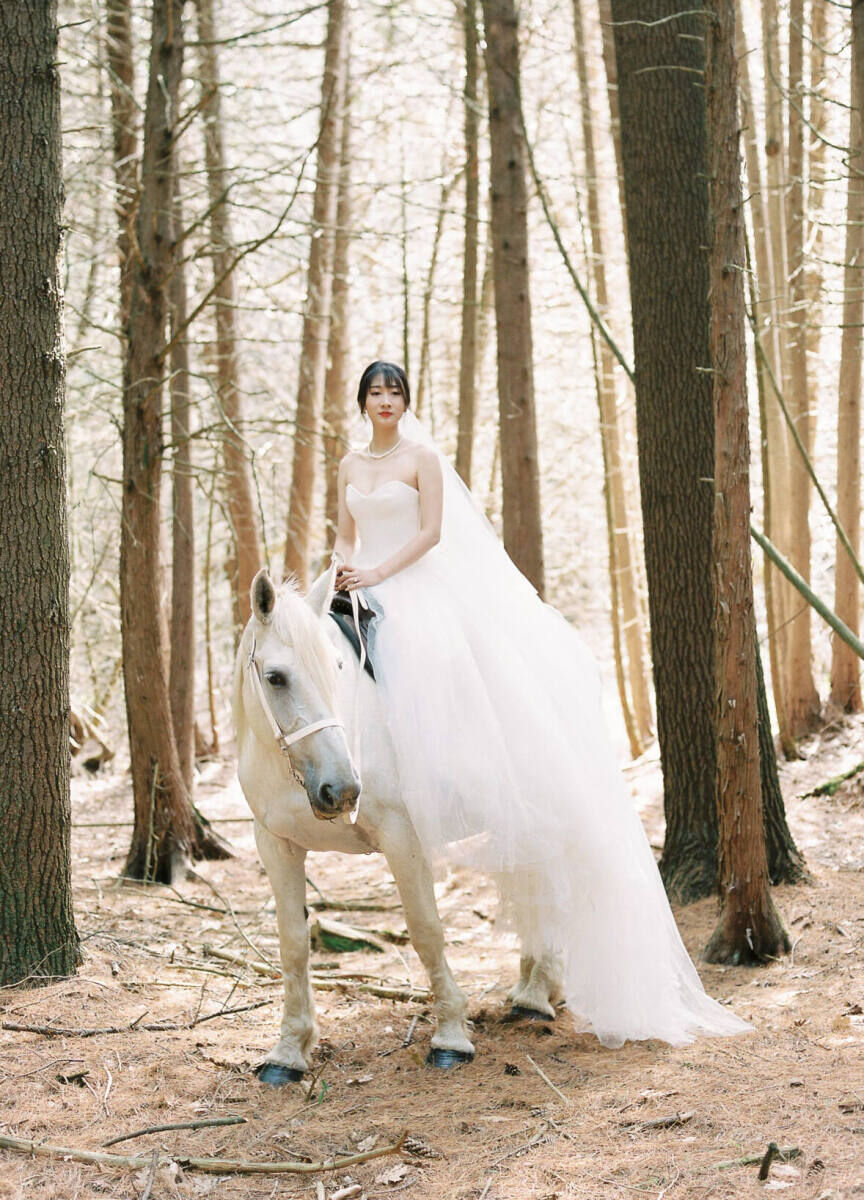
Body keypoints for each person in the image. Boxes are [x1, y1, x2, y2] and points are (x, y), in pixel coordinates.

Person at [331, 359, 750, 1049]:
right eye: (376, 392)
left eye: (395, 392)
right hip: (360, 584)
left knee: (427, 663)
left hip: (410, 584)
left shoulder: (422, 458)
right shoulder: (350, 462)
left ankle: (449, 778)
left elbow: (430, 533)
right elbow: (346, 531)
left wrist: (377, 572)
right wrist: (345, 568)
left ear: (407, 400)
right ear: (362, 400)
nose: (385, 402)